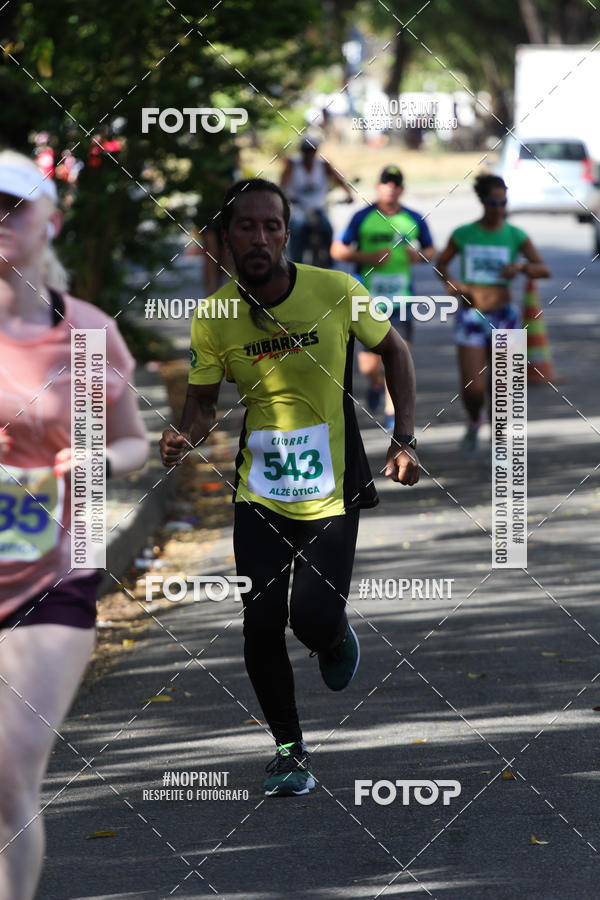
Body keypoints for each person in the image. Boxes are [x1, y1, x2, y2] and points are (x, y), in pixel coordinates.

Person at [159, 178, 420, 797]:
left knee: (310, 617)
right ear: (224, 238)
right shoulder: (215, 316)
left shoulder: (336, 290)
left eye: (271, 225)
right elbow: (201, 404)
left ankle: (331, 635)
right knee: (259, 621)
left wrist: (404, 437)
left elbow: (397, 352)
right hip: (260, 491)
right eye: (245, 227)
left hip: (332, 485)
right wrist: (184, 436)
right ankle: (288, 749)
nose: (260, 237)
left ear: (286, 231)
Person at [0, 150, 148, 900]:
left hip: (52, 571)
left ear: (47, 220)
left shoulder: (83, 330)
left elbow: (134, 439)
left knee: (8, 769)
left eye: (12, 207)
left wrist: (98, 464)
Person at [435, 173, 550, 456]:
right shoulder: (463, 234)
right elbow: (441, 264)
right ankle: (474, 419)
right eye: (493, 202)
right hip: (472, 317)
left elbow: (543, 269)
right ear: (482, 202)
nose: (499, 208)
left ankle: (499, 438)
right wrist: (452, 285)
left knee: (503, 387)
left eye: (503, 202)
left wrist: (521, 268)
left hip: (505, 318)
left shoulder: (515, 235)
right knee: (474, 388)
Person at [331, 165, 434, 430]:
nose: (390, 188)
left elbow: (431, 250)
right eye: (386, 183)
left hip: (401, 300)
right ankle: (375, 382)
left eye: (395, 184)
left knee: (399, 358)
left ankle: (392, 415)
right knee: (367, 365)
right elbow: (337, 250)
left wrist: (419, 255)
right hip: (368, 300)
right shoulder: (362, 217)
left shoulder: (413, 218)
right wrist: (366, 257)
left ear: (401, 189)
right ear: (378, 187)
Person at [280, 133, 352, 266]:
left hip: (318, 209)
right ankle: (295, 264)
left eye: (311, 150)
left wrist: (348, 194)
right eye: (306, 150)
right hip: (298, 208)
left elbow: (338, 179)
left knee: (328, 229)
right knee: (297, 228)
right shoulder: (293, 164)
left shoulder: (323, 165)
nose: (309, 154)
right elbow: (282, 184)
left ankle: (329, 263)